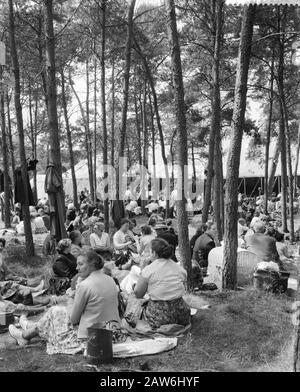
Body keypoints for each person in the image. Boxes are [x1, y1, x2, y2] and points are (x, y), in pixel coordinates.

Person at [9, 251, 125, 350]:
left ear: (92, 265)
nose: (77, 268)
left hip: (93, 338)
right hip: (113, 334)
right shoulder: (110, 280)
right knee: (58, 311)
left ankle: (24, 335)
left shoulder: (85, 285)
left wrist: (70, 297)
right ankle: (28, 329)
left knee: (55, 311)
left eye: (80, 264)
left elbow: (73, 319)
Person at [134, 238, 190, 329]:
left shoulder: (148, 270)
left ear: (154, 253)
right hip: (182, 315)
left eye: (149, 252)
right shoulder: (179, 268)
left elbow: (138, 294)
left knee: (133, 301)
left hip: (160, 317)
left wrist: (142, 271)